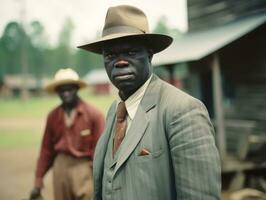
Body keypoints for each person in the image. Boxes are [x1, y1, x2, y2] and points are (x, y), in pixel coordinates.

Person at [78, 5, 221, 200]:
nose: (119, 62)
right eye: (110, 55)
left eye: (130, 52)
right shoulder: (114, 111)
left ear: (150, 55)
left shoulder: (182, 110)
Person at [29, 68, 105, 200]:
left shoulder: (94, 114)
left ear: (77, 88)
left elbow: (101, 151)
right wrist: (38, 180)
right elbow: (46, 150)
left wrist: (99, 178)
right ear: (57, 91)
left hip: (84, 168)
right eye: (61, 90)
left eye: (69, 89)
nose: (66, 93)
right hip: (60, 168)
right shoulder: (53, 116)